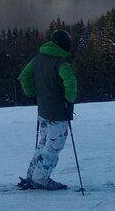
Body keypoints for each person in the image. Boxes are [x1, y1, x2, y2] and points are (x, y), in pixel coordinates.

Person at [17, 29, 78, 190]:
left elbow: (23, 77)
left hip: (43, 111)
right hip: (58, 113)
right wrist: (68, 100)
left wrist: (32, 95)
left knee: (43, 143)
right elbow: (71, 83)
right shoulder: (61, 63)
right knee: (54, 146)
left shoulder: (38, 59)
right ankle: (40, 179)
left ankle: (31, 175)